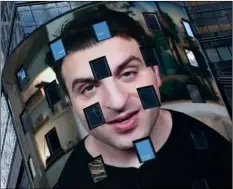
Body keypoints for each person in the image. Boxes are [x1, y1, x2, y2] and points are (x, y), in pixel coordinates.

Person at [54, 7, 232, 189]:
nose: (117, 102)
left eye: (128, 73)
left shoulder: (217, 153)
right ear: (72, 104)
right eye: (89, 88)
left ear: (155, 73)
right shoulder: (71, 182)